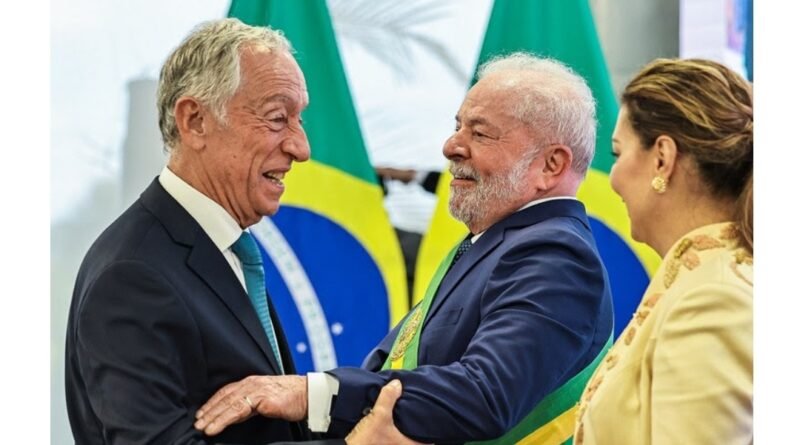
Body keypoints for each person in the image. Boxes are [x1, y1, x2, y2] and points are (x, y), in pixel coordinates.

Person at [193, 52, 614, 444]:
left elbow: (485, 393)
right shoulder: (495, 245)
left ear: (551, 165)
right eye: (458, 126)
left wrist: (309, 394)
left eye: (480, 133)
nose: (451, 147)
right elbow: (391, 372)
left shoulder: (556, 255)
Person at [65, 18, 314, 444]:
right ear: (195, 121)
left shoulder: (224, 249)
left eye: (299, 119)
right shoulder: (132, 277)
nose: (301, 147)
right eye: (277, 118)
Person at [573, 59, 753, 444]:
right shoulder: (703, 283)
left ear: (662, 159)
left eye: (617, 153)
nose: (612, 178)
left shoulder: (713, 300)